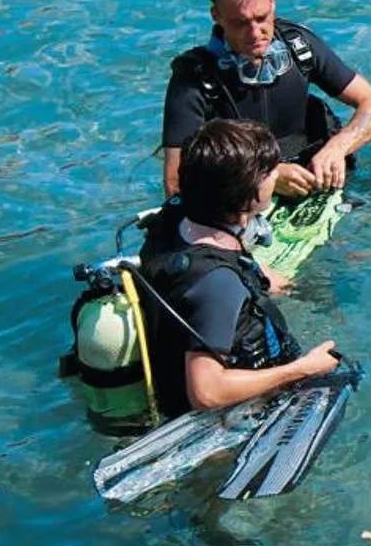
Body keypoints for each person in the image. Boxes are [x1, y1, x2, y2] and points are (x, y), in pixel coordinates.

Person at [139, 121, 341, 416]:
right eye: (271, 171)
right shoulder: (218, 283)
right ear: (249, 193)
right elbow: (206, 393)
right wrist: (300, 369)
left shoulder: (173, 218)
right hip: (223, 416)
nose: (277, 174)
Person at [161, 0, 371, 202]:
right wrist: (266, 178)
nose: (255, 33)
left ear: (272, 1)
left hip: (311, 180)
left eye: (261, 18)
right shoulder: (195, 78)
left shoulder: (299, 47)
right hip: (239, 200)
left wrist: (338, 148)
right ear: (216, 15)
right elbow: (175, 183)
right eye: (240, 23)